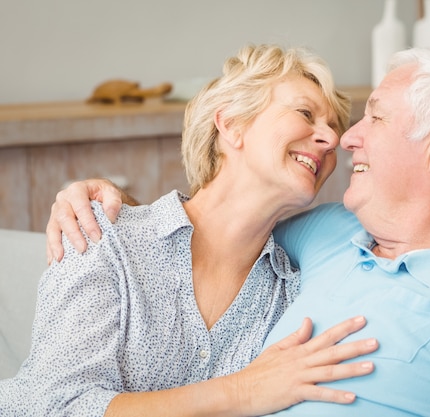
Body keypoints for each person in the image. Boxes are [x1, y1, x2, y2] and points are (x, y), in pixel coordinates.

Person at [43, 47, 430, 416]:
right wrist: (108, 208)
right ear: (230, 123)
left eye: (373, 119)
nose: (342, 141)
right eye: (307, 113)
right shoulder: (329, 239)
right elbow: (214, 222)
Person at [0, 44, 381, 416]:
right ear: (231, 123)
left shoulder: (290, 296)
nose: (332, 140)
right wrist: (244, 390)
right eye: (305, 113)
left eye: (334, 128)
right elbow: (55, 407)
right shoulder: (104, 235)